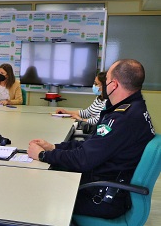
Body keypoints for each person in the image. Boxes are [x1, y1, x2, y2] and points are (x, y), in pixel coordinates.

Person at [28, 59, 155, 219]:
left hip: (102, 197)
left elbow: (83, 159)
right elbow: (90, 146)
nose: (103, 85)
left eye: (106, 80)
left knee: (39, 194)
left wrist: (42, 155)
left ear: (114, 85)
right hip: (106, 183)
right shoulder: (133, 109)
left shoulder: (122, 119)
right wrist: (53, 147)